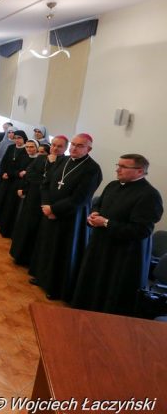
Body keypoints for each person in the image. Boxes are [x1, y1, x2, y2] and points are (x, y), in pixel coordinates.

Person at [72, 154, 163, 316]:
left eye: (123, 167)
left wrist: (106, 223)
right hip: (100, 245)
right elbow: (98, 204)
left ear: (140, 171)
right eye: (118, 165)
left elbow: (141, 230)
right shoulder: (113, 185)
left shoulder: (149, 195)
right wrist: (94, 214)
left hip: (123, 255)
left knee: (111, 293)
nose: (118, 169)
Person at [30, 133, 103, 301]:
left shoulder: (92, 169)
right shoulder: (62, 161)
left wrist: (54, 209)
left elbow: (80, 198)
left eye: (80, 146)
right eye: (73, 144)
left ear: (89, 149)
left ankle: (55, 287)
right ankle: (42, 277)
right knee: (47, 245)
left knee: (62, 250)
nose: (74, 148)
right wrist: (46, 205)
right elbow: (45, 184)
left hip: (70, 217)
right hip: (49, 210)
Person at [10, 136, 68, 267]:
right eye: (53, 145)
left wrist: (49, 169)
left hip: (47, 201)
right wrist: (43, 180)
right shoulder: (41, 158)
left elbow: (55, 181)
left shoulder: (65, 162)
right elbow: (29, 174)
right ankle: (19, 255)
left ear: (65, 148)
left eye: (59, 146)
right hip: (33, 197)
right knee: (26, 226)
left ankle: (32, 260)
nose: (55, 148)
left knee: (38, 230)